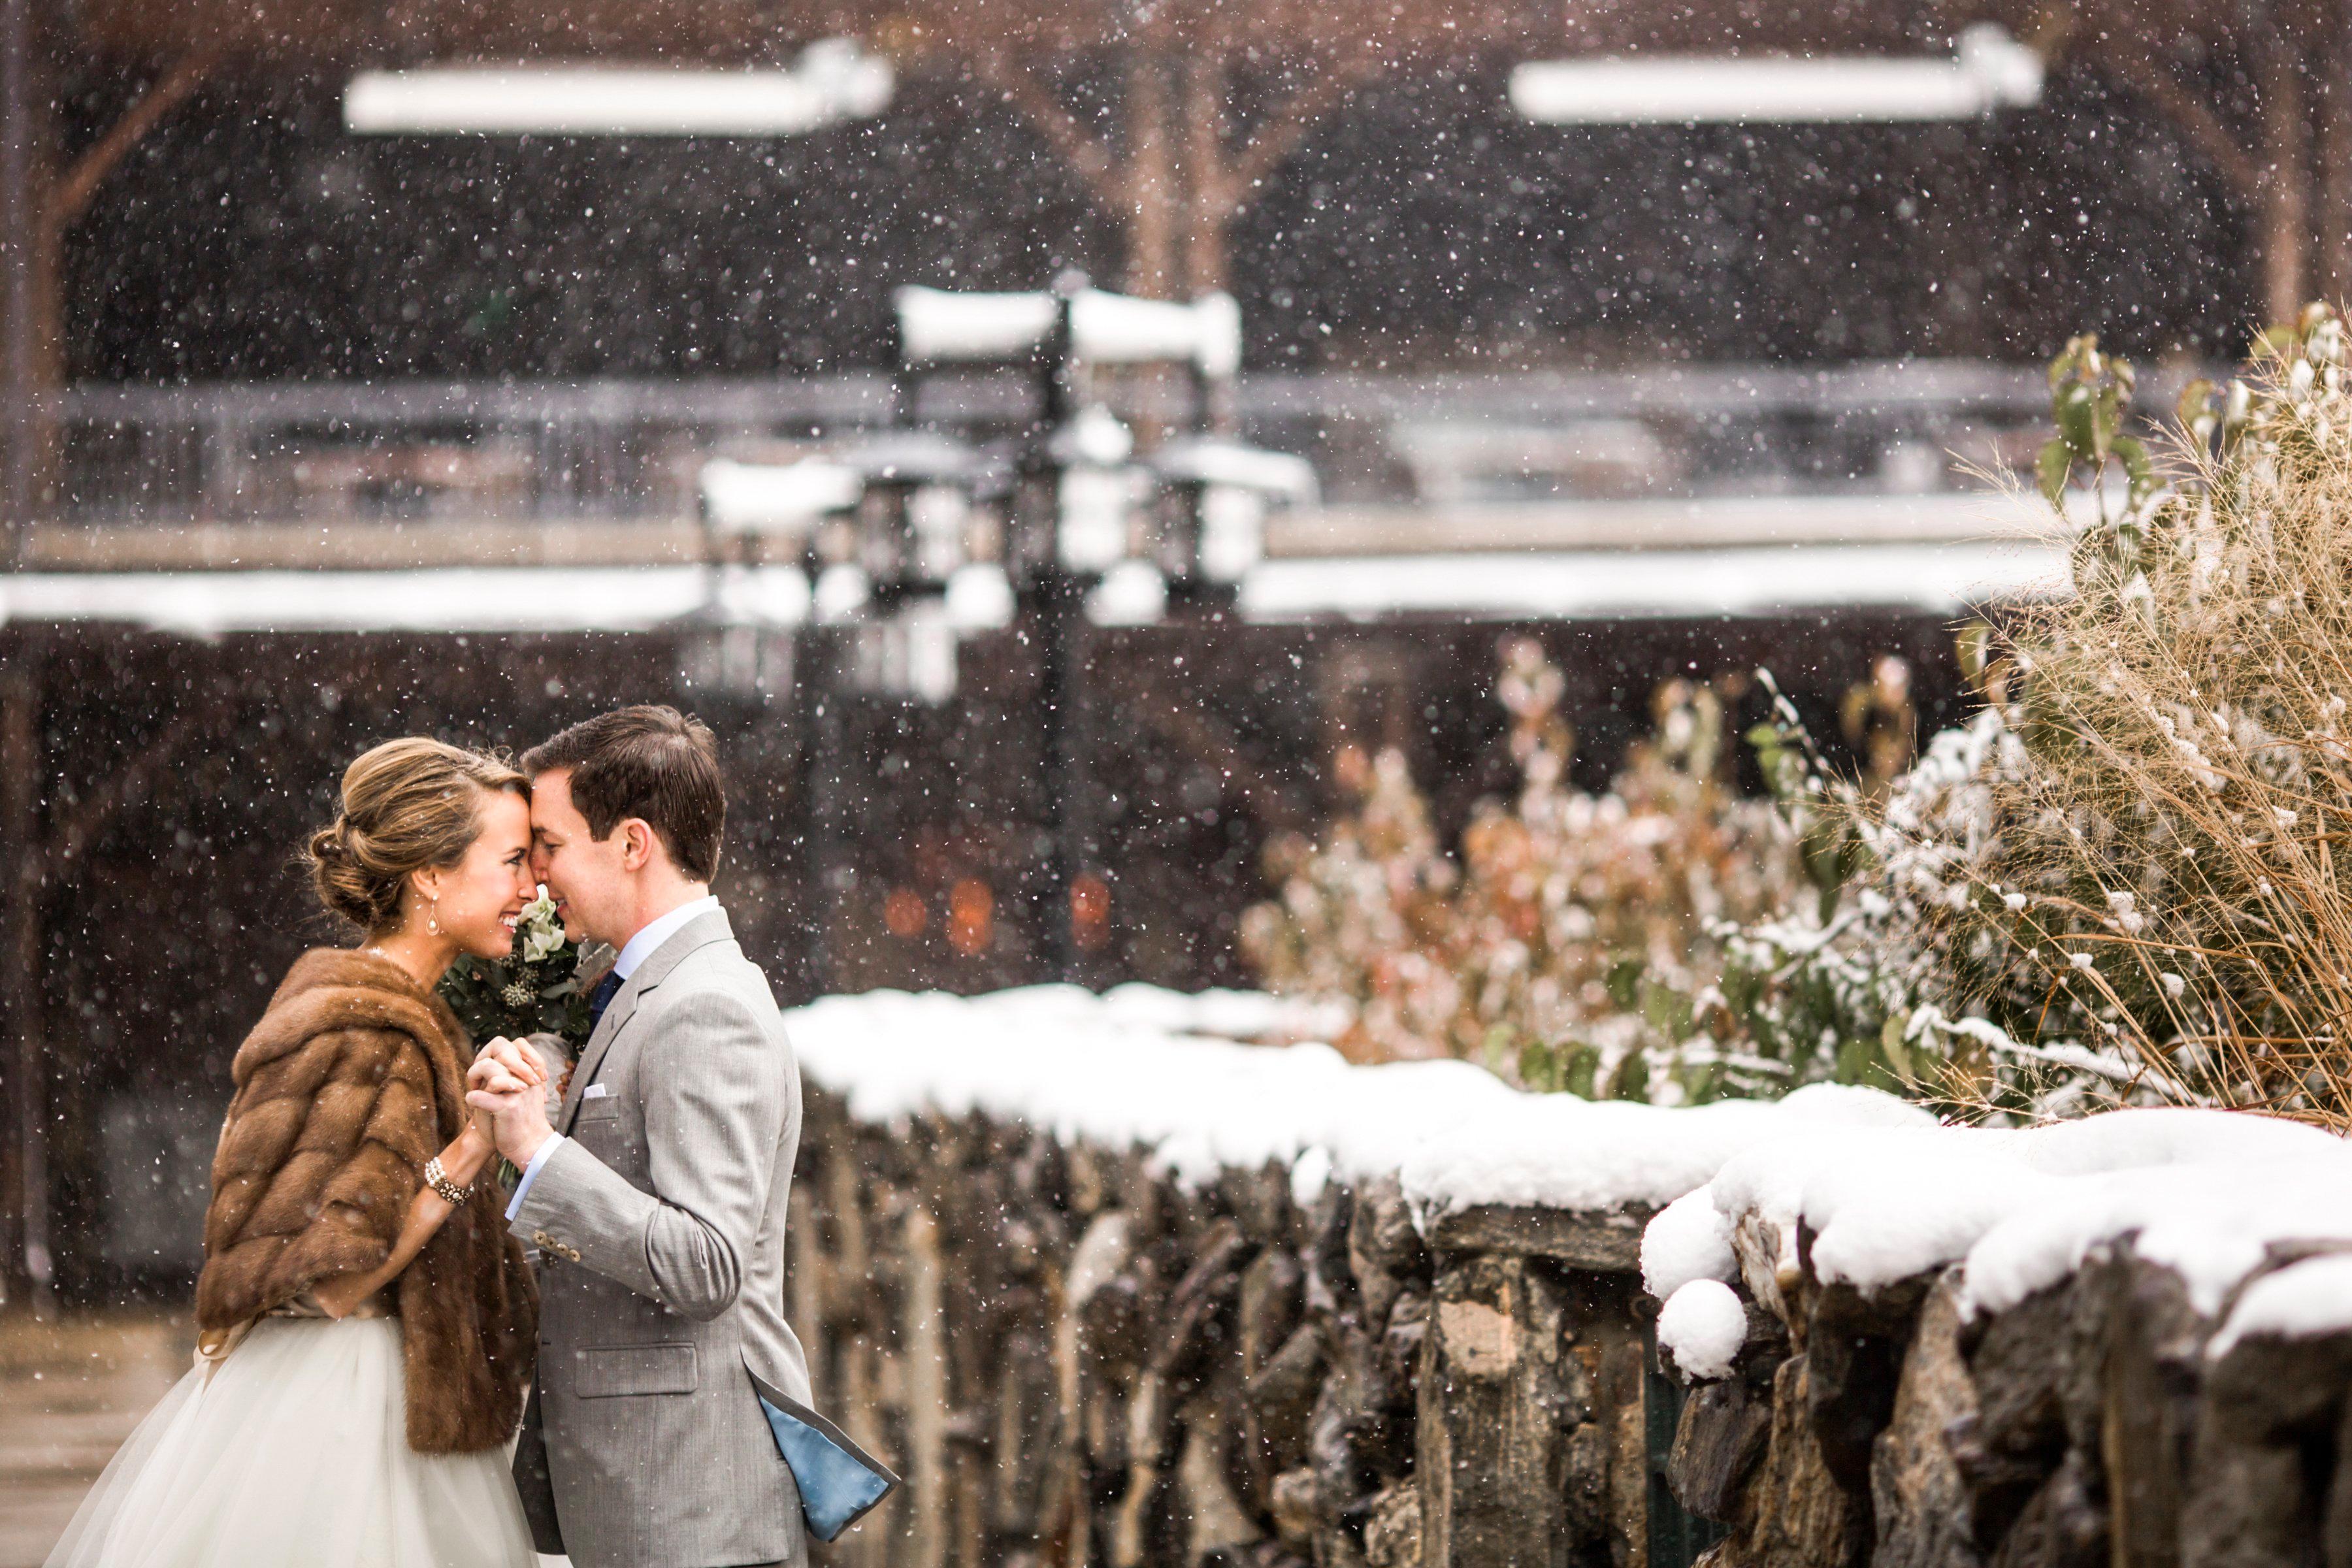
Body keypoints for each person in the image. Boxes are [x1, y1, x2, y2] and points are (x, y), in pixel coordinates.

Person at [47, 738, 543, 1568]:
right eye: (513, 861)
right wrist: (471, 1151)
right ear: (429, 873)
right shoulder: (365, 1031)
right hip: (348, 1418)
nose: (531, 890)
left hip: (378, 1397)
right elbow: (331, 1283)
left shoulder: (395, 1015)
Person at [468, 705, 810, 1568]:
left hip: (690, 1508)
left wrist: (535, 1153)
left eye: (548, 844)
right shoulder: (643, 991)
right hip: (650, 1496)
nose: (536, 874)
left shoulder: (707, 1008)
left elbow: (708, 1264)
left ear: (631, 844)